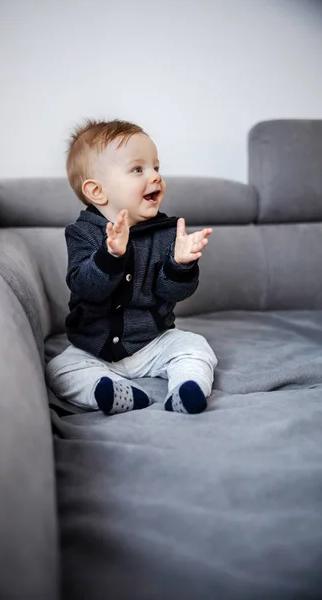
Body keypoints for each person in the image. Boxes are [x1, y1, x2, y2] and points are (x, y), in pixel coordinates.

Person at [47, 119, 217, 415]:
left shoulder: (165, 232)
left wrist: (180, 264)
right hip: (93, 348)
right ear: (97, 191)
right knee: (59, 369)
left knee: (194, 346)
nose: (155, 177)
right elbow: (86, 288)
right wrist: (110, 255)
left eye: (156, 167)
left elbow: (172, 292)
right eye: (138, 169)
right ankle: (110, 390)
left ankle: (187, 388)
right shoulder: (83, 233)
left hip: (153, 342)